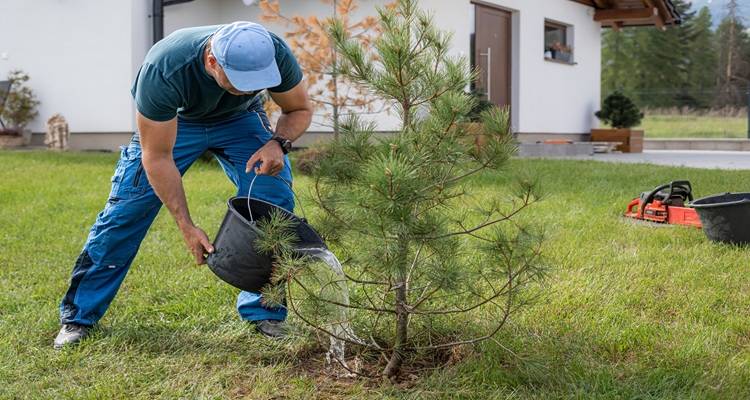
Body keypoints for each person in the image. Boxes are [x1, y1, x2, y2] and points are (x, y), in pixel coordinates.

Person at [54, 21, 312, 349]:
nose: (248, 89)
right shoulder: (164, 69)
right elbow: (158, 157)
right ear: (212, 62)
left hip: (240, 119)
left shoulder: (272, 52)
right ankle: (78, 316)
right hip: (177, 121)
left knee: (272, 197)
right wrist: (186, 225)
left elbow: (298, 108)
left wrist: (279, 143)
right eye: (239, 82)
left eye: (255, 83)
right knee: (126, 210)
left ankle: (264, 309)